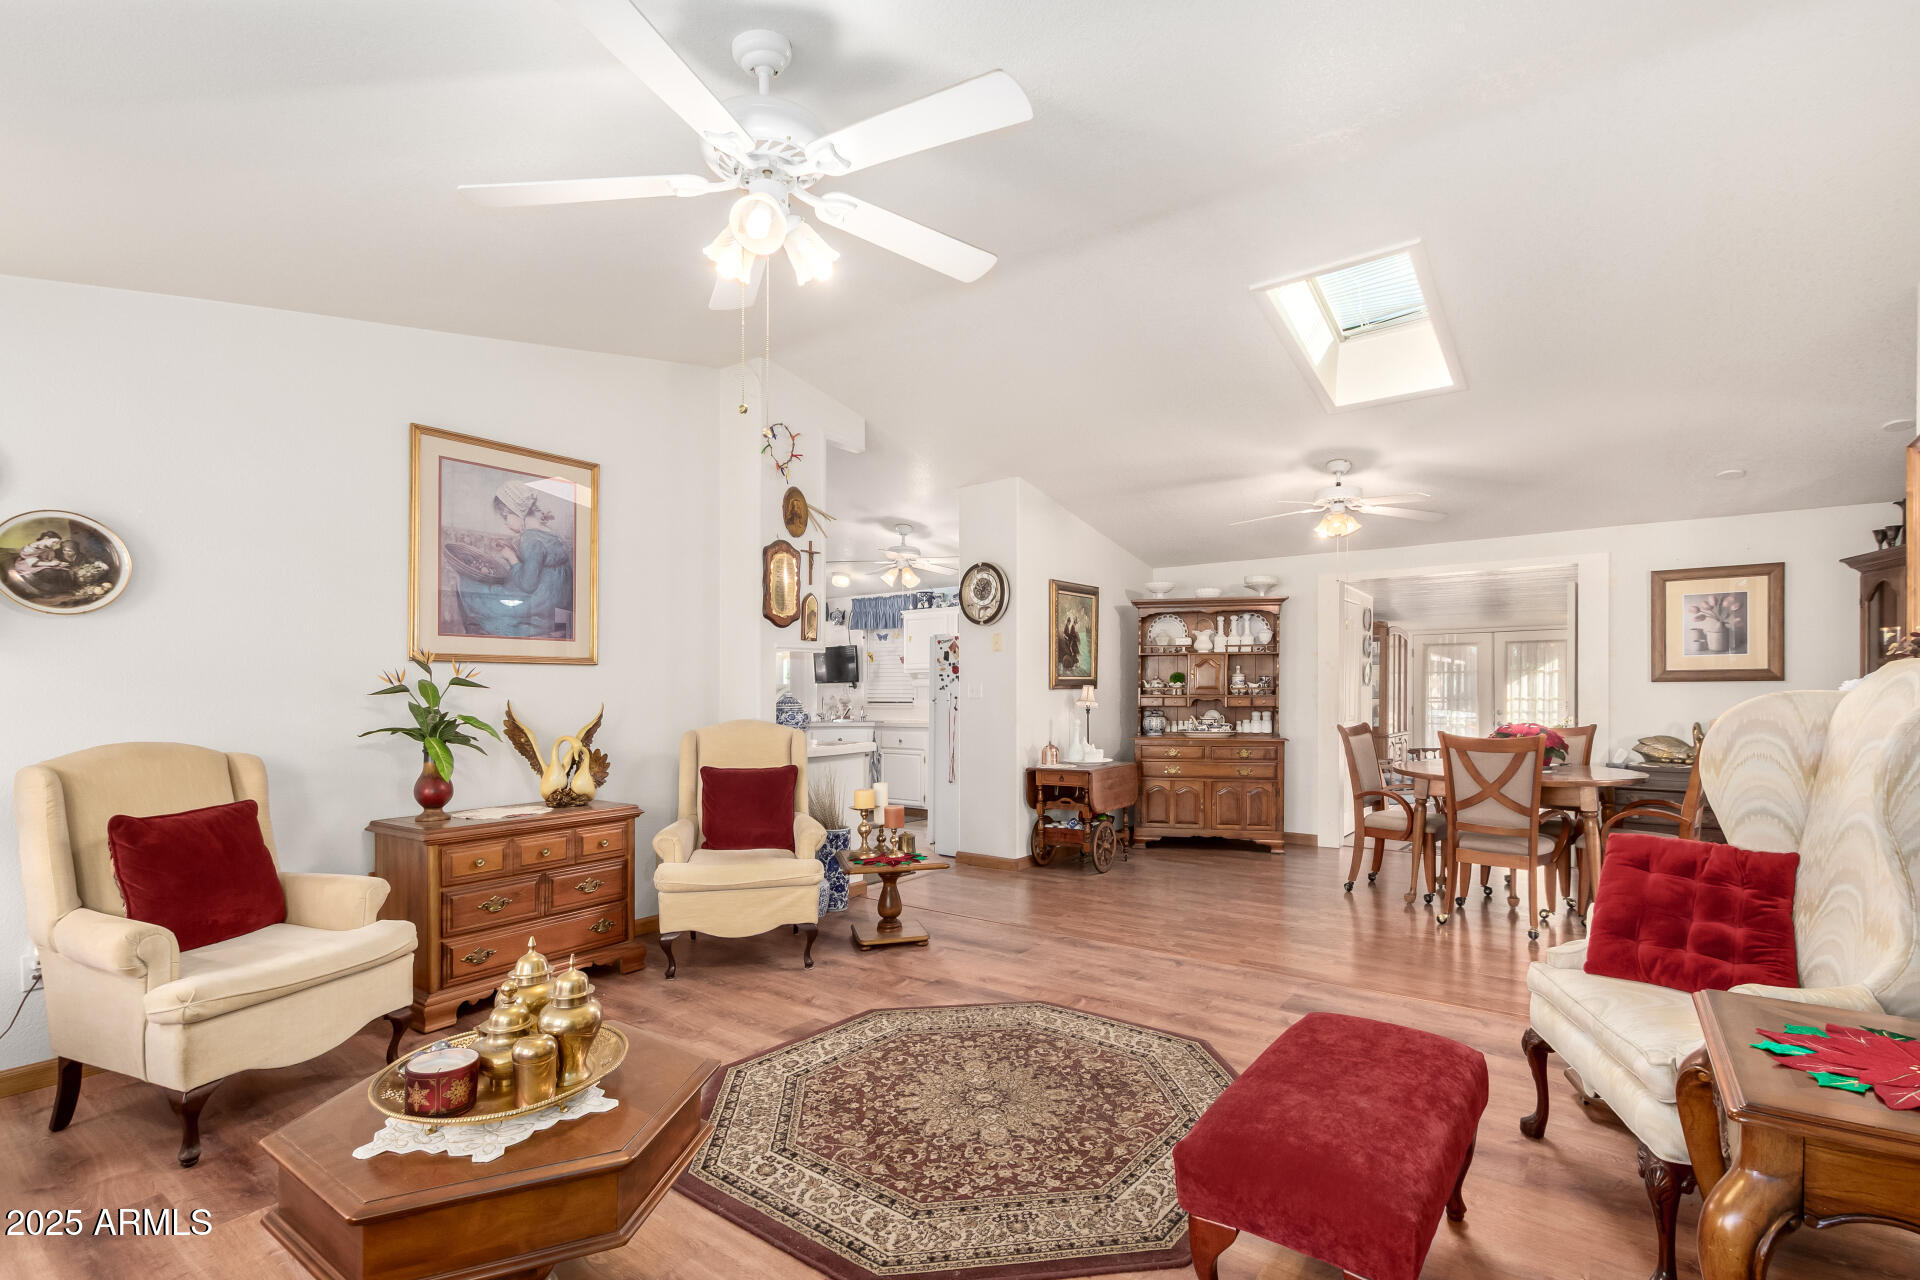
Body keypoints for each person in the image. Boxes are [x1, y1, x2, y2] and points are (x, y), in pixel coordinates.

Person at [452, 480, 573, 638]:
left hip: (540, 609)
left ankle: (478, 630)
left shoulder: (530, 539)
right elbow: (541, 563)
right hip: (557, 606)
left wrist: (511, 558)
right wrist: (513, 549)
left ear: (517, 513)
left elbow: (528, 585)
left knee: (471, 587)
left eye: (505, 517)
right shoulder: (549, 533)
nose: (505, 523)